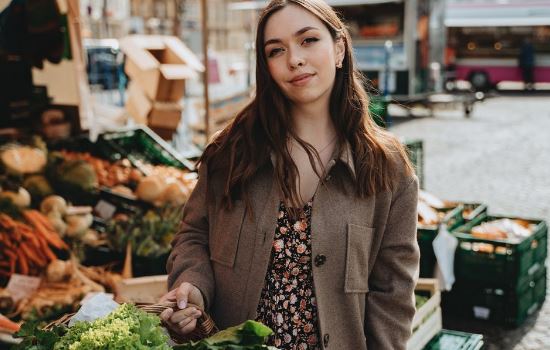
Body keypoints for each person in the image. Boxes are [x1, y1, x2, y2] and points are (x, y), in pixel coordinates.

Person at [160, 1, 420, 349]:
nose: (294, 58)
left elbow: (394, 292)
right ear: (265, 66)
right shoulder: (232, 152)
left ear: (339, 48)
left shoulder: (387, 168)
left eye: (308, 40)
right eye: (276, 50)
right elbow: (194, 235)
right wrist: (192, 284)